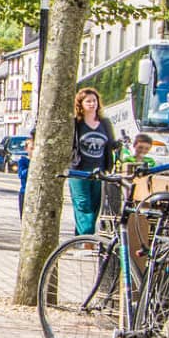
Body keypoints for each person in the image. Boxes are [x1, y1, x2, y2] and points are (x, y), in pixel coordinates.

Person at [68, 87, 116, 236]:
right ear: (80, 104)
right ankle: (87, 240)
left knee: (95, 206)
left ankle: (79, 239)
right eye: (88, 101)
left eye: (94, 101)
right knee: (83, 204)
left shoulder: (105, 123)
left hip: (99, 170)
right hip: (79, 170)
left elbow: (110, 143)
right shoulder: (76, 123)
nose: (92, 104)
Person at [16, 132, 33, 214]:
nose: (33, 151)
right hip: (25, 192)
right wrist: (32, 167)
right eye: (31, 148)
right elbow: (21, 174)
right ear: (26, 149)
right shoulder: (23, 161)